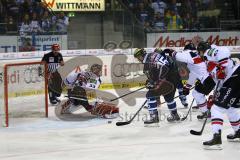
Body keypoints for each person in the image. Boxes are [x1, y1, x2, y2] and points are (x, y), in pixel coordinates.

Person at [197, 42, 240, 149]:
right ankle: (238, 132)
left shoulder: (209, 52)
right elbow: (219, 81)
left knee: (216, 108)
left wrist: (222, 65)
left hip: (235, 78)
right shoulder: (209, 62)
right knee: (232, 108)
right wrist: (215, 95)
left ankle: (217, 137)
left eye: (200, 52)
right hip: (233, 80)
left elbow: (224, 50)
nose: (200, 54)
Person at [134, 48, 181, 126]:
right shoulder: (152, 56)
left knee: (150, 95)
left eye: (138, 58)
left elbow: (164, 68)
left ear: (141, 56)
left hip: (167, 79)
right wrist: (151, 81)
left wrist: (155, 81)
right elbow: (159, 69)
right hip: (174, 78)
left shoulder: (148, 61)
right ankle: (175, 115)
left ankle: (154, 117)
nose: (138, 60)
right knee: (169, 98)